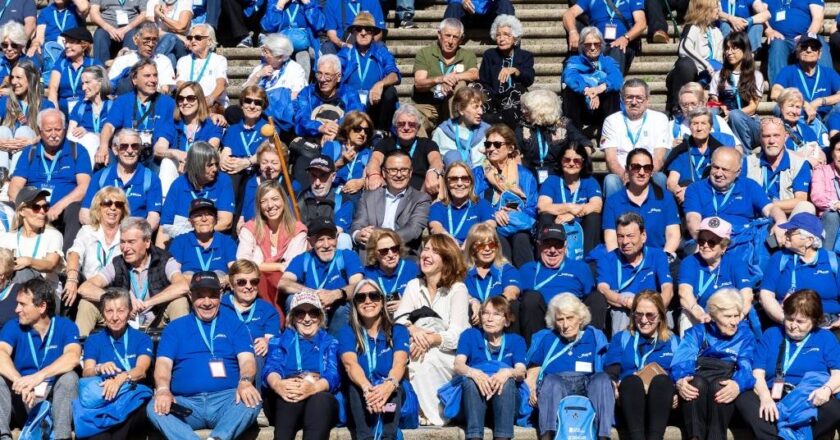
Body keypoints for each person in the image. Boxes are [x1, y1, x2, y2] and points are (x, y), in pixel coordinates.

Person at [146, 271, 262, 439]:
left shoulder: (235, 325)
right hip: (186, 403)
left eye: (212, 296)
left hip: (226, 401)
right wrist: (163, 390)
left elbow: (247, 361)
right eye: (200, 296)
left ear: (220, 295)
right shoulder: (175, 328)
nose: (207, 302)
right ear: (191, 296)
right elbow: (163, 365)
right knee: (153, 407)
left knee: (252, 400)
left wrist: (245, 382)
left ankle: (218, 438)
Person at [735, 289, 840, 438]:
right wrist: (765, 398)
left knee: (834, 408)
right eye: (789, 319)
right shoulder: (771, 334)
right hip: (774, 398)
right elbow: (758, 372)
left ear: (814, 321)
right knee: (744, 399)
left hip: (808, 399)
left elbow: (838, 373)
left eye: (800, 322)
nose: (793, 326)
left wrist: (827, 389)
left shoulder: (825, 337)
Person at [394, 234, 468, 426]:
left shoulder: (457, 289)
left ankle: (436, 417)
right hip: (417, 346)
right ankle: (423, 411)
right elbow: (399, 319)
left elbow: (457, 335)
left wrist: (430, 340)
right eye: (425, 249)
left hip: (448, 354)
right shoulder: (413, 285)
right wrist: (415, 331)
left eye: (434, 252)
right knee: (412, 356)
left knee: (428, 357)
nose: (426, 255)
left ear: (447, 259)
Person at [75, 217, 190, 337]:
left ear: (147, 242)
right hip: (123, 319)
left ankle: (183, 350)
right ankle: (78, 350)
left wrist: (147, 303)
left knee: (180, 302)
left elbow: (182, 286)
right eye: (122, 242)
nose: (125, 248)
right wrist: (123, 301)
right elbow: (84, 288)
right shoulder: (118, 263)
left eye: (131, 242)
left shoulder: (165, 260)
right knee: (86, 304)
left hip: (156, 319)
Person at [0, 278, 80, 440]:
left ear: (42, 306)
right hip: (22, 398)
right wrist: (20, 382)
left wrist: (38, 377)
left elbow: (73, 357)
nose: (16, 309)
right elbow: (1, 353)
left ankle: (62, 436)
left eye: (23, 304)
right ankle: (3, 436)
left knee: (69, 377)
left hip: (52, 400)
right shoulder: (13, 326)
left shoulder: (66, 326)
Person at [671, 288, 756, 440]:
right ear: (713, 316)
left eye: (737, 315)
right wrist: (681, 379)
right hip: (701, 378)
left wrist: (738, 384)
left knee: (721, 386)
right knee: (693, 383)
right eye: (728, 316)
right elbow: (683, 360)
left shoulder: (745, 335)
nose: (734, 321)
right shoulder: (697, 332)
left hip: (725, 380)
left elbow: (747, 365)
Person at [525, 293, 611, 440]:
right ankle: (548, 435)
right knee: (551, 381)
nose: (565, 325)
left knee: (602, 380)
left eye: (570, 318)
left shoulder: (593, 336)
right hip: (557, 386)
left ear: (580, 318)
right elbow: (534, 368)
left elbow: (605, 367)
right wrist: (532, 388)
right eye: (560, 319)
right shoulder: (547, 338)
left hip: (586, 384)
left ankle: (603, 436)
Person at [683, 147, 789, 261]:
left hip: (743, 238)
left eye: (725, 169)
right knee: (693, 250)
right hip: (710, 241)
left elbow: (770, 209)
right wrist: (705, 242)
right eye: (715, 167)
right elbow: (693, 219)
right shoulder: (696, 189)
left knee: (775, 238)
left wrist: (781, 221)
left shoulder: (749, 186)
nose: (719, 173)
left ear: (738, 171)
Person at [7, 108, 89, 251]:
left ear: (64, 129)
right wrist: (25, 208)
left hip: (63, 209)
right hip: (33, 206)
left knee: (75, 209)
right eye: (48, 130)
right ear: (39, 130)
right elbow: (14, 187)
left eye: (57, 130)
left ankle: (67, 259)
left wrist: (59, 206)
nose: (53, 135)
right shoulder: (30, 152)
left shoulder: (78, 151)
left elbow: (84, 187)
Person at [262, 290, 340, 439]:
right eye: (300, 313)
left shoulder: (330, 342)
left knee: (321, 400)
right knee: (290, 393)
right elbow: (272, 367)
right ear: (292, 317)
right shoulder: (280, 341)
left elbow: (333, 374)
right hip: (287, 397)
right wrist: (279, 384)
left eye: (313, 313)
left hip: (319, 397)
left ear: (321, 316)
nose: (307, 319)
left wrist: (314, 388)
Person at [339, 279, 409, 440]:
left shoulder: (398, 330)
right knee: (353, 385)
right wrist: (367, 389)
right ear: (355, 304)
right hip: (363, 398)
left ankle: (388, 436)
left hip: (391, 398)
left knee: (395, 386)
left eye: (374, 296)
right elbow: (350, 365)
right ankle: (364, 437)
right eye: (361, 297)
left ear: (382, 300)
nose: (368, 301)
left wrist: (387, 386)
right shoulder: (347, 332)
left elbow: (400, 363)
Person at [79, 288, 152, 440]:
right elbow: (87, 371)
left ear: (130, 311)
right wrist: (98, 368)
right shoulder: (94, 340)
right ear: (102, 314)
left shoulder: (141, 339)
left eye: (120, 311)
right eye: (109, 311)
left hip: (131, 397)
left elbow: (141, 370)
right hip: (102, 399)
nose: (115, 317)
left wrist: (120, 379)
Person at [604, 291, 678, 440]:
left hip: (662, 406)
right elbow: (611, 372)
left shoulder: (673, 342)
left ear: (661, 316)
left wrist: (676, 391)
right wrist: (614, 388)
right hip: (629, 403)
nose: (644, 320)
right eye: (639, 314)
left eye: (650, 315)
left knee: (662, 380)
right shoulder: (622, 338)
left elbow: (681, 373)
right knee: (631, 381)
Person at [453, 296, 526, 440]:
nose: (489, 318)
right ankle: (474, 436)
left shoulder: (516, 340)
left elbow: (521, 371)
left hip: (506, 405)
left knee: (507, 381)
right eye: (485, 313)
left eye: (497, 314)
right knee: (470, 381)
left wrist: (508, 372)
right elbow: (458, 364)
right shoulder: (470, 335)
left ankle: (502, 437)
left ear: (506, 320)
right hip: (474, 403)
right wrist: (473, 372)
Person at [279, 217, 365, 335]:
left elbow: (358, 285)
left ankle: (338, 348)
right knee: (291, 300)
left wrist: (335, 295)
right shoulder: (302, 259)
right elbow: (283, 283)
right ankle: (300, 344)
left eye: (330, 238)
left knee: (342, 308)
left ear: (337, 238)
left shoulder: (348, 256)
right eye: (320, 239)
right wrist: (313, 295)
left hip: (337, 312)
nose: (326, 245)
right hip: (311, 311)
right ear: (311, 241)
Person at [597, 212, 674, 336]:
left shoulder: (657, 255)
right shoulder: (608, 258)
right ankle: (622, 348)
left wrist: (650, 307)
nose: (625, 241)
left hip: (652, 313)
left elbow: (667, 289)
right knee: (622, 303)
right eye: (620, 236)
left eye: (630, 236)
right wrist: (625, 301)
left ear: (643, 236)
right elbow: (603, 289)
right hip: (625, 313)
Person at [516, 224, 597, 341]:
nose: (552, 250)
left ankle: (588, 346)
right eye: (547, 244)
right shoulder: (527, 269)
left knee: (597, 298)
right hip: (540, 322)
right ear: (539, 246)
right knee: (530, 298)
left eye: (557, 245)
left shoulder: (580, 268)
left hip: (571, 320)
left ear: (565, 246)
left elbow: (589, 296)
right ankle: (533, 351)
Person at [761, 212, 840, 329]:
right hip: (789, 321)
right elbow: (766, 295)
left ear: (809, 240)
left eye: (791, 231)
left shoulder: (832, 261)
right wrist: (785, 320)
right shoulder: (779, 258)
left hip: (827, 323)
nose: (786, 234)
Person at [473, 124, 537, 267]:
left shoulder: (524, 175)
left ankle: (528, 284)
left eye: (497, 144)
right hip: (490, 226)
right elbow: (474, 201)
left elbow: (531, 208)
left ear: (510, 148)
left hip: (517, 224)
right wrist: (493, 215)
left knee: (521, 239)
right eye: (488, 144)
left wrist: (513, 213)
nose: (491, 148)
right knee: (498, 241)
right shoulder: (478, 174)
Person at [237, 180, 308, 309]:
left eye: (275, 199)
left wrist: (261, 264)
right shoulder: (249, 229)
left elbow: (293, 266)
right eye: (263, 201)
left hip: (286, 284)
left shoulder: (298, 230)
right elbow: (243, 263)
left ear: (284, 201)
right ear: (259, 206)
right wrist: (278, 266)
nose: (270, 205)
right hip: (256, 285)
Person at [678, 216, 753, 336]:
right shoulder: (690, 262)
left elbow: (747, 295)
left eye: (712, 242)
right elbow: (684, 293)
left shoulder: (736, 262)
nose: (705, 245)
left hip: (730, 316)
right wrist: (700, 315)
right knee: (686, 314)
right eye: (701, 241)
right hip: (700, 315)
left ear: (724, 246)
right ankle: (689, 352)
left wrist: (734, 318)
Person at [98, 57, 177, 168]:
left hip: (155, 157)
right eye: (147, 76)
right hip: (128, 153)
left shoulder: (169, 103)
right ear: (134, 80)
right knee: (103, 154)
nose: (153, 80)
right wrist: (103, 146)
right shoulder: (123, 101)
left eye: (155, 75)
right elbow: (109, 126)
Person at [600, 78, 671, 199]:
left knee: (660, 177)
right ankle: (614, 216)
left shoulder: (660, 119)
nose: (634, 102)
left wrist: (644, 174)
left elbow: (659, 158)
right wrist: (625, 175)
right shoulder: (611, 121)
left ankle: (658, 214)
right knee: (610, 180)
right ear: (622, 99)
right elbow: (611, 159)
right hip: (622, 173)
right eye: (629, 97)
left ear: (647, 100)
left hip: (649, 172)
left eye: (639, 97)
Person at [603, 148, 681, 257]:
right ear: (627, 169)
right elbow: (611, 240)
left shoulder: (665, 198)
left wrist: (663, 258)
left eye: (647, 168)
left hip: (658, 259)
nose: (642, 172)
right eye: (636, 167)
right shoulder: (613, 202)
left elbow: (673, 234)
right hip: (625, 262)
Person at [351, 150, 432, 253]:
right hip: (371, 254)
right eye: (393, 170)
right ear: (384, 173)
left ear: (410, 172)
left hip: (403, 254)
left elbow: (413, 230)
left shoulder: (421, 199)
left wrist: (378, 236)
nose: (398, 175)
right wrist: (359, 235)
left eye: (404, 170)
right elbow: (357, 224)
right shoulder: (368, 196)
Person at [81, 129, 162, 230]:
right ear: (115, 149)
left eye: (135, 146)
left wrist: (135, 235)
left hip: (133, 238)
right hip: (102, 233)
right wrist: (104, 231)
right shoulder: (100, 177)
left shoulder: (151, 179)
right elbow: (84, 213)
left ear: (139, 149)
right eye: (124, 146)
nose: (130, 151)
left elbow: (153, 218)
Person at [65, 187, 129, 311]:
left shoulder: (127, 234)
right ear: (98, 208)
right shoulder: (87, 231)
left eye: (118, 204)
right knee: (74, 295)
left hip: (119, 293)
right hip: (90, 293)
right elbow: (74, 253)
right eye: (107, 203)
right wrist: (72, 279)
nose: (113, 208)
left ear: (123, 210)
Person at [221, 260, 282, 389]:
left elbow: (274, 338)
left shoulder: (267, 310)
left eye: (254, 282)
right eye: (242, 282)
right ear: (231, 285)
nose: (248, 286)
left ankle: (256, 402)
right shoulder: (220, 308)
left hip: (255, 359)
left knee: (259, 354)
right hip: (226, 355)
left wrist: (267, 341)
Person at [411, 18, 479, 133]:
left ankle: (456, 136)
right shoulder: (425, 53)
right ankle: (424, 150)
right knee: (413, 119)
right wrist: (440, 79)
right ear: (439, 35)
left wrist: (454, 79)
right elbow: (419, 83)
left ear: (461, 39)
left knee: (461, 85)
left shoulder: (467, 55)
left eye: (455, 37)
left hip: (453, 105)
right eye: (447, 35)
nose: (451, 41)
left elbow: (474, 74)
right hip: (429, 105)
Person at [156, 82, 224, 196]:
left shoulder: (212, 124)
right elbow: (158, 149)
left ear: (200, 100)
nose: (185, 102)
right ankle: (165, 202)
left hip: (202, 171)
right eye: (181, 99)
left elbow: (211, 150)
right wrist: (177, 153)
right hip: (178, 169)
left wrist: (189, 161)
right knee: (167, 162)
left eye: (190, 98)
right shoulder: (172, 123)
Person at [159, 141, 235, 243]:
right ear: (196, 166)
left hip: (213, 242)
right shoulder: (178, 184)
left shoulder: (223, 181)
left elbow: (226, 222)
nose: (215, 169)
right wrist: (160, 256)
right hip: (182, 244)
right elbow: (164, 228)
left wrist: (194, 232)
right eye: (210, 165)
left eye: (216, 164)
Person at [337, 13, 400, 132]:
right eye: (359, 29)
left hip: (374, 103)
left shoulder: (381, 52)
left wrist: (380, 84)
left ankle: (380, 132)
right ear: (354, 32)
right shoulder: (345, 54)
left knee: (390, 92)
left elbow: (394, 75)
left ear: (373, 34)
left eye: (368, 29)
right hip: (350, 104)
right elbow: (334, 72)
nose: (363, 32)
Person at [536, 141, 603, 253]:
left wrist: (571, 214)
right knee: (545, 216)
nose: (571, 164)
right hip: (557, 226)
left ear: (583, 162)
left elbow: (597, 205)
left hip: (581, 227)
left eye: (576, 160)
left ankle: (589, 261)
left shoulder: (590, 181)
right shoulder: (552, 180)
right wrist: (570, 207)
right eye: (567, 160)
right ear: (561, 161)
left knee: (594, 217)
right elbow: (542, 206)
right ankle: (547, 256)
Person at [364, 105, 444, 196]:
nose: (406, 128)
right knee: (369, 175)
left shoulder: (428, 144)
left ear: (418, 127)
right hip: (389, 192)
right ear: (395, 126)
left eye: (411, 124)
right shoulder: (385, 143)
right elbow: (375, 160)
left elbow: (436, 161)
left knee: (439, 179)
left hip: (420, 194)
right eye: (401, 124)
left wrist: (432, 172)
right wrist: (374, 174)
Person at [516, 89, 590, 185]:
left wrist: (575, 163)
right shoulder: (523, 127)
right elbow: (514, 151)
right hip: (531, 175)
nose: (522, 110)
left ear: (541, 110)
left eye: (526, 108)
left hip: (559, 174)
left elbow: (585, 144)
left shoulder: (564, 125)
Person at [664, 0, 724, 116]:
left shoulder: (716, 32)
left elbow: (720, 57)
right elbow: (684, 48)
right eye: (716, 7)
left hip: (708, 77)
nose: (719, 10)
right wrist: (706, 65)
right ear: (706, 10)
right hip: (689, 75)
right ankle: (677, 108)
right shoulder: (692, 28)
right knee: (685, 64)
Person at [744, 116, 812, 215]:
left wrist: (767, 205)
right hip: (754, 219)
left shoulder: (799, 164)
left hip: (788, 219)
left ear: (786, 137)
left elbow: (800, 201)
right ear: (760, 138)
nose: (771, 141)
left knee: (806, 207)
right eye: (766, 136)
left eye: (776, 135)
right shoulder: (748, 162)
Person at [0, 187, 64, 292]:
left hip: (45, 293)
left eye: (45, 207)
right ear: (21, 211)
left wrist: (29, 261)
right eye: (36, 207)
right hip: (14, 292)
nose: (42, 211)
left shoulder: (53, 235)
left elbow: (51, 264)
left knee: (24, 272)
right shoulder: (7, 238)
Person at [476, 15, 534, 127]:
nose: (501, 39)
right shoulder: (489, 54)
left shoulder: (525, 56)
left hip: (512, 98)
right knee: (477, 87)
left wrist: (516, 71)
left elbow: (529, 79)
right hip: (493, 97)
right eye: (498, 35)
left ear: (515, 38)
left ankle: (501, 119)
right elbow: (484, 80)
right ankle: (493, 118)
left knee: (519, 90)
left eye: (506, 35)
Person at [709, 31, 764, 150]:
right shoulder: (718, 75)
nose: (729, 52)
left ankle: (744, 155)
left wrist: (732, 115)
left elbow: (753, 107)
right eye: (727, 48)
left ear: (744, 50)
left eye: (734, 48)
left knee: (735, 115)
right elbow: (713, 101)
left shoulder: (756, 75)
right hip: (726, 123)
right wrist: (720, 106)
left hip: (749, 125)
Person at [562, 26, 622, 131]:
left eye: (596, 44)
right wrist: (587, 90)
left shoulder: (608, 61)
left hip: (602, 109)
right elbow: (570, 76)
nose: (593, 48)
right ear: (582, 46)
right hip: (582, 107)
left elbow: (616, 78)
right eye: (588, 45)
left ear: (601, 44)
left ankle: (610, 134)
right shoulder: (574, 61)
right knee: (569, 91)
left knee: (613, 91)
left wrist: (598, 90)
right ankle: (575, 136)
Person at [771, 35, 840, 127]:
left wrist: (820, 101)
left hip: (825, 118)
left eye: (814, 48)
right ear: (797, 53)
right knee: (778, 108)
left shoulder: (828, 73)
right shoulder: (788, 71)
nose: (809, 50)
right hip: (798, 116)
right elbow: (775, 93)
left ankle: (834, 138)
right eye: (804, 47)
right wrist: (803, 103)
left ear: (819, 54)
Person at [0, 60, 56, 173]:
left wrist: (31, 141)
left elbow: (53, 134)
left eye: (19, 77)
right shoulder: (5, 101)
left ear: (31, 79)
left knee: (24, 130)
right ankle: (2, 175)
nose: (14, 82)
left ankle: (14, 176)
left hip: (31, 155)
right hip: (6, 154)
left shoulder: (46, 105)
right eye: (12, 77)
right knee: (2, 130)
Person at [561, 0, 646, 74]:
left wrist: (626, 37)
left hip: (621, 45)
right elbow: (568, 14)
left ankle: (610, 88)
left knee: (616, 51)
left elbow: (641, 23)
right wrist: (572, 32)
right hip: (597, 44)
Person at [293, 54, 364, 141]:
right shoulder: (306, 93)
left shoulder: (349, 93)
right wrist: (320, 127)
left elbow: (355, 116)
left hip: (340, 139)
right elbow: (300, 120)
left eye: (327, 75)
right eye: (319, 74)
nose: (322, 79)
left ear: (338, 77)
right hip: (311, 142)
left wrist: (333, 130)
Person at [665, 107, 727, 204]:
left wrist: (692, 193)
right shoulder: (681, 151)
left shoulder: (719, 152)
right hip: (684, 200)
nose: (699, 128)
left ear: (710, 127)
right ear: (689, 127)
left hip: (712, 198)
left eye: (703, 123)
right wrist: (680, 192)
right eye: (695, 124)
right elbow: (671, 183)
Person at [763, 0, 832, 84]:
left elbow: (817, 19)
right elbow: (760, 12)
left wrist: (806, 37)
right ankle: (779, 90)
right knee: (777, 44)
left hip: (806, 36)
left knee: (818, 42)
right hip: (780, 39)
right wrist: (769, 30)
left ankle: (827, 84)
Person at [296, 155, 356, 249]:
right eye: (313, 176)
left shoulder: (343, 199)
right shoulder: (298, 197)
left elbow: (337, 231)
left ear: (333, 177)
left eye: (323, 176)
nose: (317, 183)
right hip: (304, 246)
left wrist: (316, 244)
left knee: (344, 239)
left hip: (329, 246)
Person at [462, 224, 520, 321]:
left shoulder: (506, 268)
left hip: (498, 321)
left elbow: (512, 292)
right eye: (481, 246)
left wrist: (486, 309)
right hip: (472, 321)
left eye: (492, 244)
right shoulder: (463, 271)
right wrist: (473, 301)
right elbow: (455, 290)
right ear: (472, 249)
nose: (487, 249)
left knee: (513, 305)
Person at [428, 162, 495, 245]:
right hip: (447, 251)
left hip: (474, 251)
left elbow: (490, 226)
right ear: (447, 183)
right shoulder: (438, 207)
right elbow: (436, 227)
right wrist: (452, 245)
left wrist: (469, 243)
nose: (459, 183)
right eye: (453, 179)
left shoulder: (482, 204)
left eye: (465, 178)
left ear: (471, 182)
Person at [169, 199, 237, 280]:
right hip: (189, 288)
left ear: (215, 220)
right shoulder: (180, 241)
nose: (204, 219)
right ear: (190, 221)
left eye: (209, 214)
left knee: (219, 273)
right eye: (198, 215)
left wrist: (225, 279)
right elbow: (173, 270)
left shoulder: (227, 242)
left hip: (219, 289)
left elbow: (235, 271)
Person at [259, 2, 325, 81]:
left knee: (303, 56)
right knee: (280, 58)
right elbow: (267, 27)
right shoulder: (275, 2)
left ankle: (302, 87)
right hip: (280, 47)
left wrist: (308, 4)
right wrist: (280, 5)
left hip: (305, 46)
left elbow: (319, 25)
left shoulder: (309, 2)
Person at [105, 23, 177, 95]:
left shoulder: (163, 61)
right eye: (146, 40)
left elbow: (165, 89)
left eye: (154, 40)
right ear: (136, 40)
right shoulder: (122, 61)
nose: (151, 44)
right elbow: (110, 87)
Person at [320, 111, 373, 205]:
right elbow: (320, 175)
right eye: (358, 129)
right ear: (347, 129)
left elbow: (377, 179)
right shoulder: (332, 147)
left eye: (366, 131)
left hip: (357, 201)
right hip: (331, 198)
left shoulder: (369, 153)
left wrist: (362, 182)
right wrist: (340, 163)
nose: (362, 133)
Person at [362, 229, 419, 315]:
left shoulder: (412, 269)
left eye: (394, 249)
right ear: (374, 253)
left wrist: (405, 305)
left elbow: (422, 301)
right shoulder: (368, 273)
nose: (391, 255)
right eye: (384, 251)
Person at [45, 27, 100, 115]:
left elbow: (101, 89)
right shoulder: (61, 64)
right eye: (66, 42)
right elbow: (53, 88)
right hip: (64, 112)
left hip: (87, 111)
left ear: (84, 45)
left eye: (71, 42)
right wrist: (56, 115)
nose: (66, 46)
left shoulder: (93, 64)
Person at [668, 82, 740, 149]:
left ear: (702, 103)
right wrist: (671, 147)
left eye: (693, 104)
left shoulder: (716, 121)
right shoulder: (673, 126)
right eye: (685, 105)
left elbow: (737, 146)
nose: (689, 109)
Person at [432, 87, 491, 167]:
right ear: (461, 110)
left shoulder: (487, 131)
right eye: (475, 107)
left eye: (481, 107)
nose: (480, 112)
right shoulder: (442, 132)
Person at [175, 24, 228, 109]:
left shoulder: (219, 60)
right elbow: (180, 84)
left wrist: (208, 101)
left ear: (209, 41)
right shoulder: (183, 61)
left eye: (197, 37)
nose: (193, 40)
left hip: (213, 105)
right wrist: (194, 103)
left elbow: (221, 85)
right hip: (189, 104)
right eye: (190, 38)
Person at [67, 66, 113, 161]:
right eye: (82, 83)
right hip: (83, 153)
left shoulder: (113, 106)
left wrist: (89, 134)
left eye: (87, 82)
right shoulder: (80, 107)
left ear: (100, 83)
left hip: (107, 151)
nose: (83, 88)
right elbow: (70, 136)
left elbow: (116, 136)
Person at [242, 34, 308, 97]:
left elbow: (296, 95)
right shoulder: (261, 67)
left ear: (279, 57)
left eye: (265, 51)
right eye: (263, 50)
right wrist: (257, 75)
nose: (262, 54)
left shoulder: (295, 69)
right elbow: (244, 92)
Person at [774, 88, 825, 166]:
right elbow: (776, 155)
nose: (794, 111)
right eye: (791, 106)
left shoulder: (807, 129)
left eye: (798, 107)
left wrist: (821, 155)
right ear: (781, 107)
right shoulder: (774, 128)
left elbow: (817, 150)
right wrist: (804, 158)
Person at [322, 0, 386, 54]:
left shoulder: (372, 1)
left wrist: (367, 43)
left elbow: (379, 31)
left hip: (367, 42)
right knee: (327, 47)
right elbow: (331, 33)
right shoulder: (332, 2)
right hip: (342, 43)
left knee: (380, 46)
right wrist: (343, 45)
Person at [811, 137, 840, 250]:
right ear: (832, 153)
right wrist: (836, 204)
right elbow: (817, 196)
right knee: (831, 216)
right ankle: (825, 259)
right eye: (839, 150)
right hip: (830, 223)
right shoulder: (821, 171)